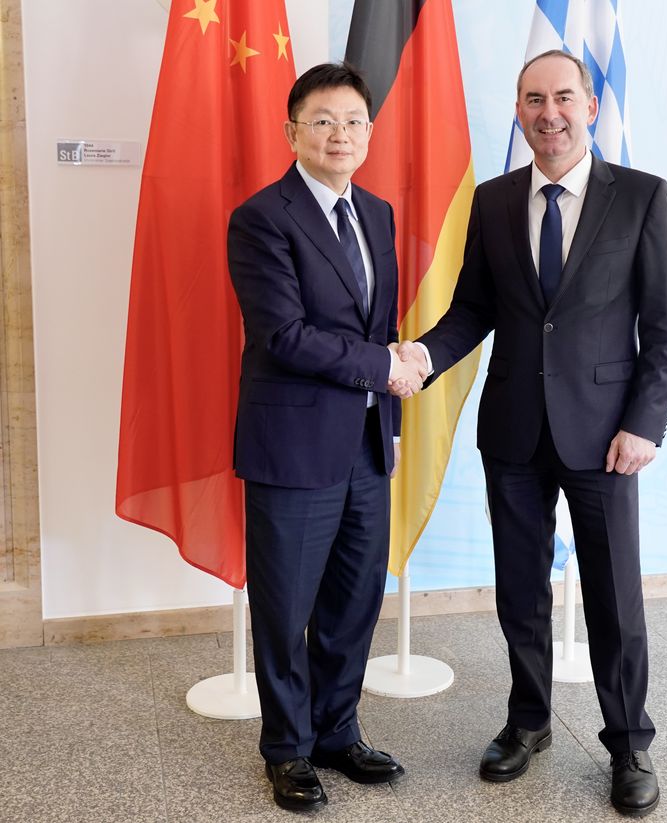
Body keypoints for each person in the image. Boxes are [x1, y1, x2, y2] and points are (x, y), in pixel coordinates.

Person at [394, 50, 667, 817]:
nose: (548, 112)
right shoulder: (492, 202)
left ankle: (629, 741)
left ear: (591, 106)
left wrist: (644, 425)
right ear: (517, 111)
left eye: (563, 97)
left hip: (606, 438)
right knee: (520, 590)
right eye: (533, 99)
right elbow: (470, 311)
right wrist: (419, 356)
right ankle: (528, 722)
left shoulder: (642, 198)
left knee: (614, 595)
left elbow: (665, 326)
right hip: (515, 432)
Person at [227, 61, 425, 813]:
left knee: (354, 598)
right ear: (292, 132)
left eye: (353, 122)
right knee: (286, 606)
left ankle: (337, 730)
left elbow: (382, 327)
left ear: (369, 133)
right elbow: (284, 335)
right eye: (323, 121)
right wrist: (383, 368)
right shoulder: (262, 218)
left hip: (367, 444)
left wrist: (393, 419)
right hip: (293, 446)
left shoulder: (375, 211)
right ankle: (287, 748)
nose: (340, 135)